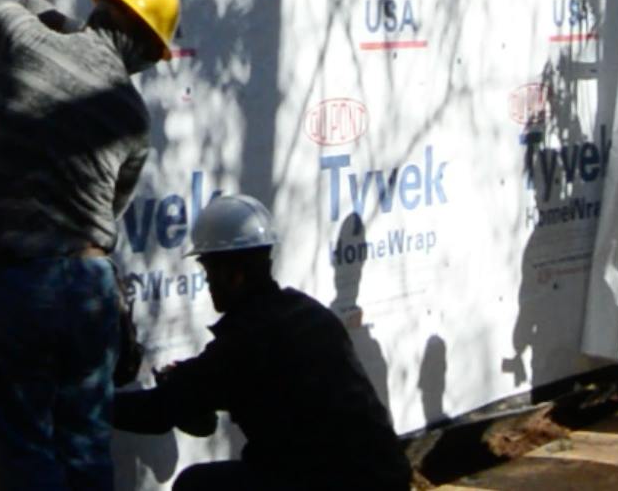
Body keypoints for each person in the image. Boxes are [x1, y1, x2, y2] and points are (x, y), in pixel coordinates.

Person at [0, 0, 180, 490]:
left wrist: (65, 26)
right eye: (151, 50)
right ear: (138, 40)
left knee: (28, 450)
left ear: (105, 7)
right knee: (86, 448)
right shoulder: (132, 115)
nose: (146, 63)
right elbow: (112, 209)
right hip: (91, 284)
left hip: (25, 283)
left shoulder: (27, 44)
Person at [113, 194, 412, 491]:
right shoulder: (309, 313)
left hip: (333, 481)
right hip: (385, 476)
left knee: (196, 485)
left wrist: (93, 401)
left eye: (209, 271)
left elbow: (158, 413)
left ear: (234, 275)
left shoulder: (245, 339)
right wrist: (188, 378)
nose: (208, 283)